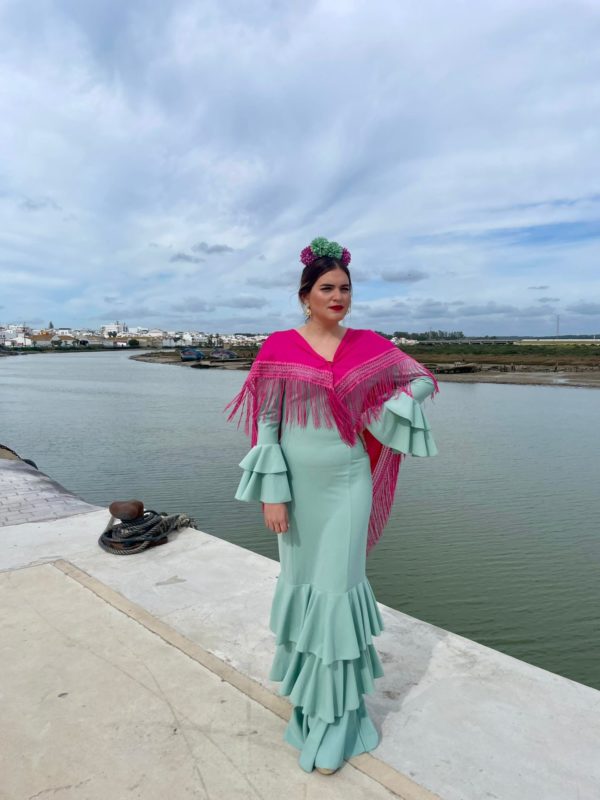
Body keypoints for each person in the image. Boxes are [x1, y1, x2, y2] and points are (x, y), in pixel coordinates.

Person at [224, 237, 439, 775]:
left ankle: (338, 723)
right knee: (302, 591)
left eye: (345, 287)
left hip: (349, 482)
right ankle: (308, 712)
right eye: (327, 288)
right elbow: (268, 422)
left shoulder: (368, 344)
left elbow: (421, 378)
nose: (338, 295)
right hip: (295, 487)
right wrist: (273, 490)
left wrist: (384, 406)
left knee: (338, 593)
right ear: (306, 296)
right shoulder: (278, 346)